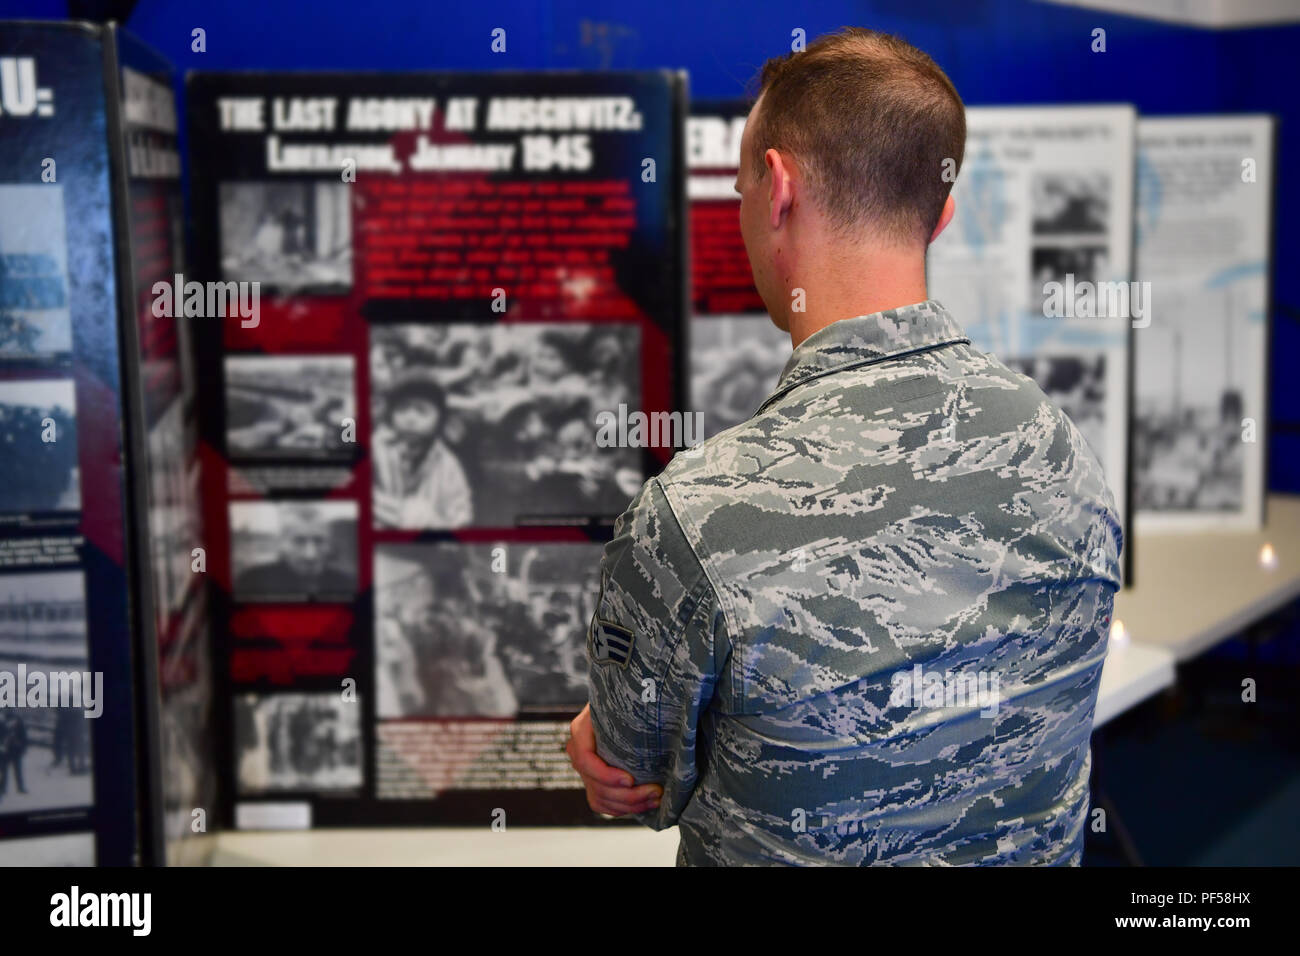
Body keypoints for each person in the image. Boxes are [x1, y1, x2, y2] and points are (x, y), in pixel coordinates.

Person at [566, 27, 1123, 865]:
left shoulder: (692, 524)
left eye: (740, 185)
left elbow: (633, 773)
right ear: (942, 210)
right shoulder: (1065, 455)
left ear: (778, 187)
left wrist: (592, 736)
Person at [372, 372, 473, 529]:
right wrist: (400, 512)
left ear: (439, 419)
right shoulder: (376, 450)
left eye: (422, 411)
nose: (410, 418)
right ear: (390, 415)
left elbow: (461, 514)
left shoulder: (448, 463)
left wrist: (434, 522)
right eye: (402, 408)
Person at [233, 504, 354, 600]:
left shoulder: (347, 584)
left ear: (329, 543)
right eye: (299, 541)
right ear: (281, 543)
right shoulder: (253, 582)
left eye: (319, 541)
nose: (310, 555)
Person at [0, 710, 28, 799]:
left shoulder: (18, 720)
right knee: (4, 770)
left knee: (17, 770)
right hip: (5, 749)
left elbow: (23, 735)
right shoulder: (2, 720)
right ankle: (3, 788)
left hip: (15, 749)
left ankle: (20, 787)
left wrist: (23, 747)